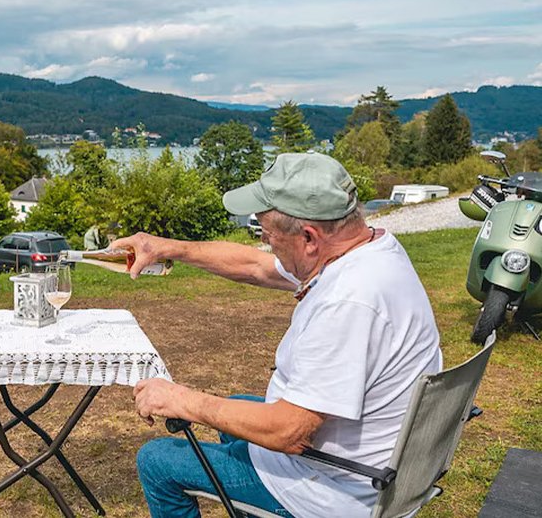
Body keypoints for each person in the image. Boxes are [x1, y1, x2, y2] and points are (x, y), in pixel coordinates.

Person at [113, 152, 441, 518]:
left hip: (332, 490)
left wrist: (181, 399)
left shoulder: (348, 302)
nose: (267, 244)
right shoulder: (369, 248)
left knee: (158, 461)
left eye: (268, 235)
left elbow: (290, 432)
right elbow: (255, 266)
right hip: (368, 460)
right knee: (237, 406)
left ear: (308, 237)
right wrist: (165, 247)